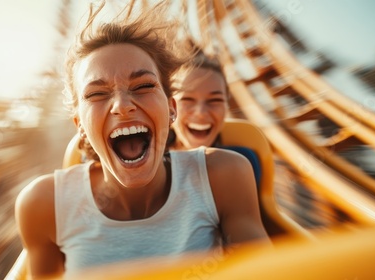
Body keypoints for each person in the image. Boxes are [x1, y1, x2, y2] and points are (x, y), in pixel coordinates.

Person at [15, 1, 271, 279]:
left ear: (171, 108)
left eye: (143, 86)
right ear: (80, 126)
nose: (122, 106)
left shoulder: (224, 176)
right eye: (97, 94)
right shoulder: (42, 204)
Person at [169, 49, 231, 150]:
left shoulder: (246, 159)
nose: (200, 112)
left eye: (215, 100)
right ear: (169, 107)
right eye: (187, 99)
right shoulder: (147, 163)